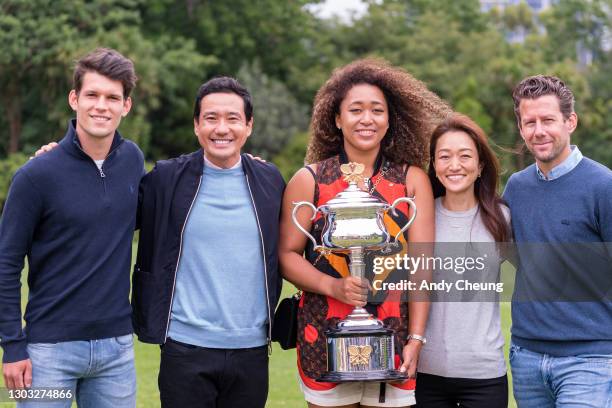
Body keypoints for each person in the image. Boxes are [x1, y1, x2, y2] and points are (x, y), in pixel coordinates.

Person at [279, 59, 450, 408]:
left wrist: (416, 338)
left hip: (395, 335)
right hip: (323, 334)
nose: (367, 119)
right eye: (355, 110)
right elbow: (286, 255)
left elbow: (422, 266)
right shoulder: (308, 180)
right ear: (338, 119)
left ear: (390, 120)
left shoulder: (411, 180)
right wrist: (332, 285)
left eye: (377, 110)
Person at [0, 48, 143, 407]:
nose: (101, 106)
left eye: (113, 97)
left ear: (126, 105)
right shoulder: (36, 176)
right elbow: (5, 264)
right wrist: (12, 346)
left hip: (116, 351)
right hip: (48, 353)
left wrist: (240, 162)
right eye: (92, 95)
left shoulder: (132, 161)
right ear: (74, 99)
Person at [131, 76, 285, 408]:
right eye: (211, 118)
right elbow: (111, 210)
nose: (222, 128)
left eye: (233, 118)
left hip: (252, 349)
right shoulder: (165, 179)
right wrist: (65, 158)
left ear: (249, 126)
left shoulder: (270, 181)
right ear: (197, 126)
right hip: (184, 348)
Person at [503, 75, 612, 407]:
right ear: (521, 128)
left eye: (548, 120)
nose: (539, 131)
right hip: (526, 357)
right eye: (530, 122)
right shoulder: (516, 188)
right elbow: (517, 259)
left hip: (590, 361)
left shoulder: (603, 186)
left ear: (570, 122)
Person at [416, 114, 511, 407]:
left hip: (484, 375)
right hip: (424, 373)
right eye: (444, 156)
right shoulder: (419, 217)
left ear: (480, 165)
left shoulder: (503, 218)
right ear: (434, 165)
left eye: (465, 156)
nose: (454, 165)